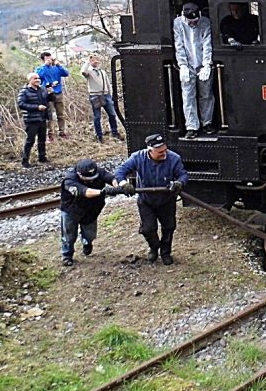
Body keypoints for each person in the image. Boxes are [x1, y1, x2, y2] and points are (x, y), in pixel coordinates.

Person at [114, 133, 188, 265]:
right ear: (150, 151)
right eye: (160, 152)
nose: (163, 153)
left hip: (167, 201)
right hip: (146, 201)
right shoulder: (137, 157)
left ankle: (165, 252)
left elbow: (183, 175)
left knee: (169, 227)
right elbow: (120, 171)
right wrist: (124, 184)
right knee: (148, 229)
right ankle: (154, 248)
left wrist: (179, 183)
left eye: (165, 150)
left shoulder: (174, 158)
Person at [59, 157, 132, 266]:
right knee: (68, 235)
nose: (92, 180)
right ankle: (67, 255)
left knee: (90, 233)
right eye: (88, 179)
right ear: (79, 174)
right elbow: (85, 192)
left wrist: (120, 186)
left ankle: (87, 243)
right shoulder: (70, 180)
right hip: (71, 211)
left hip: (91, 210)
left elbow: (111, 178)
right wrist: (103, 192)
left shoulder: (99, 171)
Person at [173, 2, 215, 139]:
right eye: (190, 21)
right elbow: (179, 45)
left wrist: (207, 64)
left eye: (195, 21)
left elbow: (207, 44)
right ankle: (191, 126)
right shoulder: (178, 24)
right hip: (188, 64)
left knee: (206, 94)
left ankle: (207, 123)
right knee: (188, 96)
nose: (193, 24)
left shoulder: (205, 23)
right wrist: (183, 65)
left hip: (202, 62)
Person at [81, 54, 123, 143]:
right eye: (93, 60)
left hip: (105, 95)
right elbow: (83, 71)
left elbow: (108, 83)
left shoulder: (102, 71)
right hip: (95, 95)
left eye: (96, 60)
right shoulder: (89, 71)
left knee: (112, 114)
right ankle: (99, 135)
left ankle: (114, 132)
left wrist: (110, 95)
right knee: (97, 117)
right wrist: (88, 62)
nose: (95, 62)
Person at [17, 72, 50, 167]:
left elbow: (48, 100)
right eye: (35, 78)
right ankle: (25, 161)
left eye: (38, 78)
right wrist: (36, 107)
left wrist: (50, 94)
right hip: (31, 120)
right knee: (30, 140)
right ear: (30, 80)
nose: (38, 80)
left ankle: (42, 158)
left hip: (42, 118)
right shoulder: (24, 91)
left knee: (42, 140)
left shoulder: (42, 89)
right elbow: (21, 104)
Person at [36, 52, 70, 139]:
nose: (49, 59)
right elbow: (38, 76)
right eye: (47, 58)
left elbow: (66, 73)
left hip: (58, 93)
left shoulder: (56, 68)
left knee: (60, 114)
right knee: (49, 114)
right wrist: (45, 66)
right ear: (44, 59)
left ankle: (62, 131)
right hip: (47, 93)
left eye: (50, 57)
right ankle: (50, 133)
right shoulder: (40, 69)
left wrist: (58, 64)